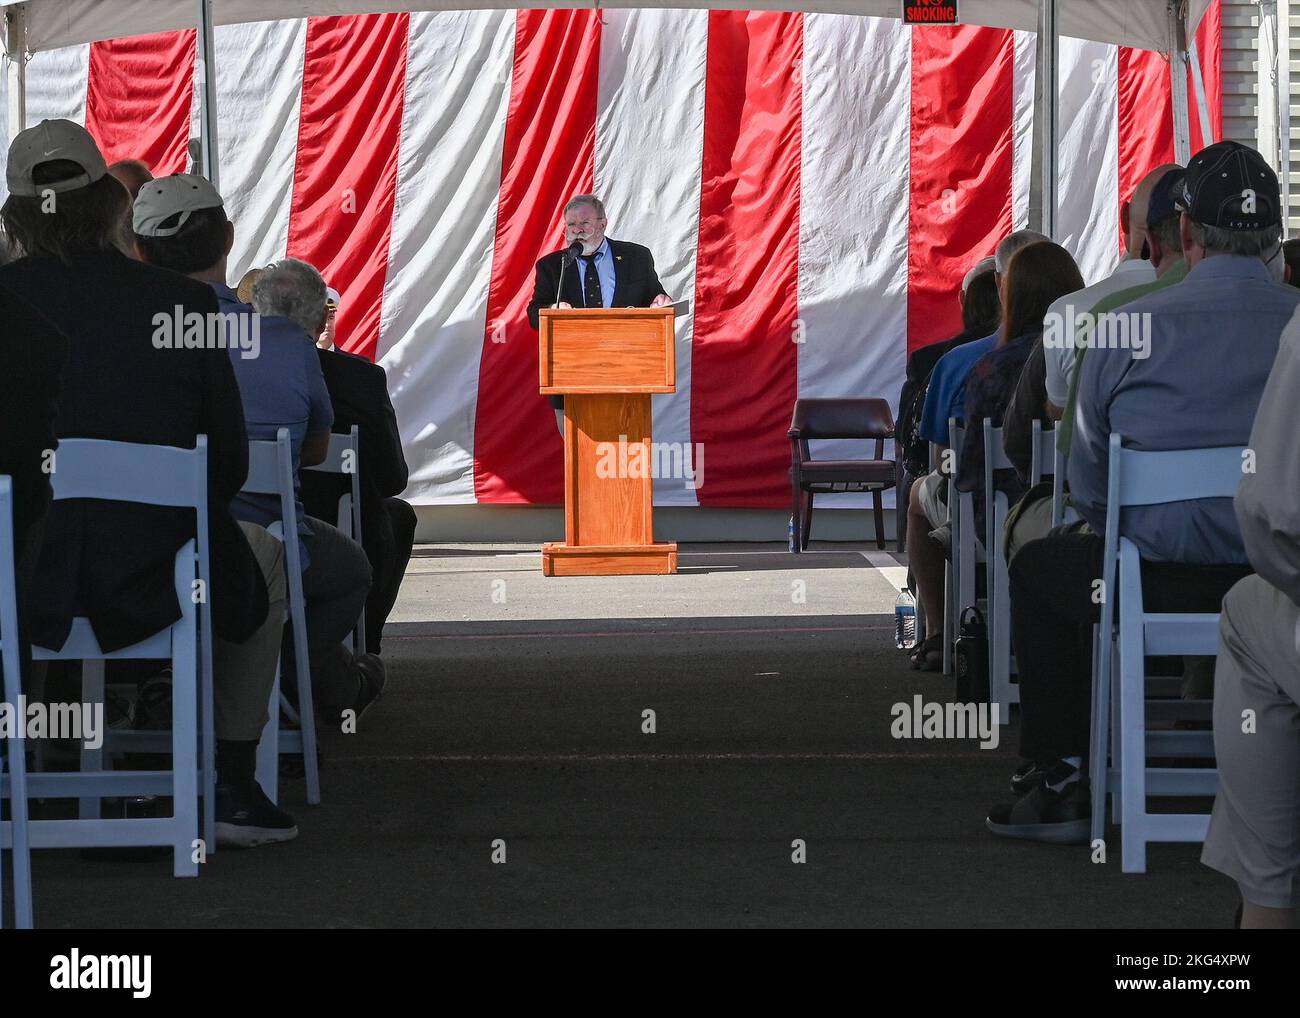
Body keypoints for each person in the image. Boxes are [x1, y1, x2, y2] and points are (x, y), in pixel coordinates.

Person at [987, 140, 1299, 843]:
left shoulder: (1121, 330)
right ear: (1275, 238)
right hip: (1282, 581)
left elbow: (1092, 486)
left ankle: (1063, 778)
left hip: (1149, 580)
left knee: (1038, 571)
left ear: (1183, 233)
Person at [0, 122, 295, 847]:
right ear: (111, 207)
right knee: (262, 550)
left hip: (18, 571)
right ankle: (229, 780)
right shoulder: (184, 306)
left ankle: (28, 767)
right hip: (155, 567)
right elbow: (222, 463)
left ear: (12, 219)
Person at [130, 177, 381, 725]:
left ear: (141, 250)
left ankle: (170, 683)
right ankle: (286, 682)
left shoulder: (120, 339)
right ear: (228, 237)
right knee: (351, 571)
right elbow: (312, 450)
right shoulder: (288, 343)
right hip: (258, 548)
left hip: (135, 556)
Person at [904, 229, 1045, 670]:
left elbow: (941, 454)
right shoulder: (1090, 345)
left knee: (919, 492)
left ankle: (938, 632)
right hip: (1079, 510)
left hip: (991, 512)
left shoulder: (969, 364)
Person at [1201, 308, 1300, 929]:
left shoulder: (1096, 320)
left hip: (1146, 565)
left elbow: (1271, 516)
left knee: (1246, 611)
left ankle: (1268, 902)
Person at [954, 242, 1083, 542]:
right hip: (1085, 506)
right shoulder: (1092, 353)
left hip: (1003, 514)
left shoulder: (989, 370)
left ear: (1010, 298)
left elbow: (971, 471)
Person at [1042, 164, 1178, 420]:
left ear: (1125, 219)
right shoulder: (1235, 312)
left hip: (1101, 456)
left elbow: (1061, 415)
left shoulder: (1064, 312)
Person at [526, 195, 672, 431]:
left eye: (584, 223)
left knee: (625, 456)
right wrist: (553, 310)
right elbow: (534, 315)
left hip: (627, 377)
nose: (577, 231)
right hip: (571, 378)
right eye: (571, 225)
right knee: (581, 458)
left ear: (603, 224)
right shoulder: (552, 266)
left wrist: (660, 300)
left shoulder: (636, 257)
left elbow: (655, 296)